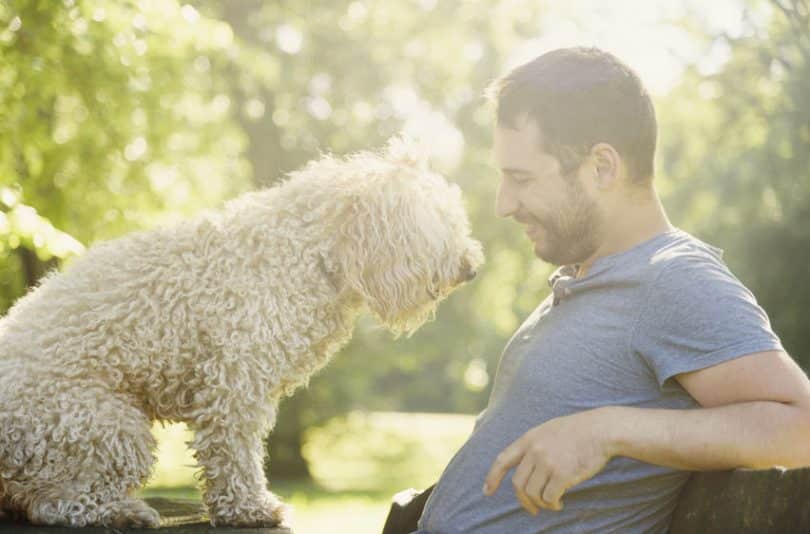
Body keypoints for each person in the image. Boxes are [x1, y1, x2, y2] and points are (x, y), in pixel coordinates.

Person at [383, 47, 810, 533]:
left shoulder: (674, 278)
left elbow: (802, 428)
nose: (504, 204)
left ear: (602, 166)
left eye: (521, 178)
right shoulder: (591, 278)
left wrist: (609, 430)